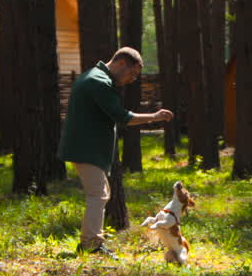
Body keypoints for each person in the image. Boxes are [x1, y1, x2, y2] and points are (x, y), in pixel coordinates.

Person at [58, 47, 173, 256]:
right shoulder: (98, 82)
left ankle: (92, 240)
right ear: (121, 63)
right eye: (132, 73)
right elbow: (123, 117)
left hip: (88, 147)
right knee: (98, 195)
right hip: (87, 148)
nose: (132, 79)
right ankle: (91, 244)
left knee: (101, 193)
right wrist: (154, 116)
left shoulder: (96, 77)